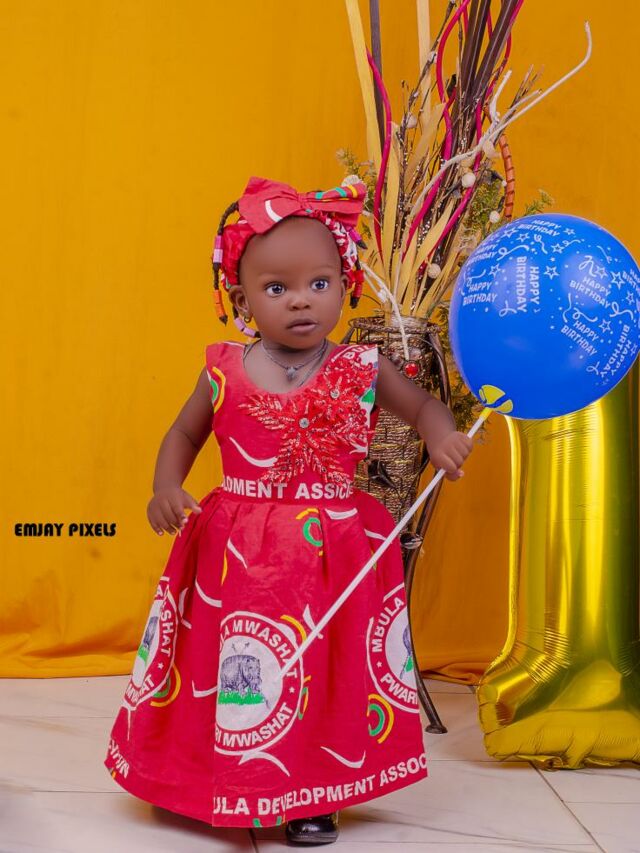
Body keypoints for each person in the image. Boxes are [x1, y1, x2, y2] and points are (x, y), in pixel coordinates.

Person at [104, 175, 474, 846]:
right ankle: (199, 776)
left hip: (332, 552)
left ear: (346, 283)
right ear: (241, 299)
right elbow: (184, 433)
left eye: (319, 283)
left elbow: (421, 406)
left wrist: (441, 433)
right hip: (236, 551)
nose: (301, 299)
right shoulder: (223, 368)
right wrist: (166, 486)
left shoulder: (361, 366)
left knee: (320, 668)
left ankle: (314, 792)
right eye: (277, 288)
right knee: (230, 665)